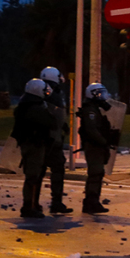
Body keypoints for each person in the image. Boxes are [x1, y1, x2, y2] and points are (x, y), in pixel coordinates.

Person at [11, 79, 56, 218]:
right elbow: (51, 122)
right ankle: (29, 206)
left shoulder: (25, 105)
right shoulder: (35, 108)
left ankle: (32, 204)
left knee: (33, 176)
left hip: (29, 143)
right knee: (33, 176)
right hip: (34, 145)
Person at [39, 66, 72, 214]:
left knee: (42, 171)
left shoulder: (44, 91)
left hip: (49, 138)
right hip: (50, 139)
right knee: (56, 170)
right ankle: (55, 202)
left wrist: (63, 124)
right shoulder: (50, 93)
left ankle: (34, 203)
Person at [79, 83, 115, 214]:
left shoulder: (95, 108)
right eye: (101, 93)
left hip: (97, 145)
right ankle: (91, 202)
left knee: (98, 173)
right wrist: (103, 141)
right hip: (94, 146)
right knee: (95, 173)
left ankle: (93, 202)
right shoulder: (90, 110)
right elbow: (92, 130)